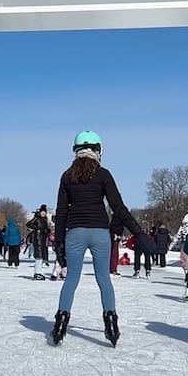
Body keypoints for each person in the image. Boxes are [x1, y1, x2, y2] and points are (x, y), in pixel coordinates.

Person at [51, 130, 146, 347]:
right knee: (104, 279)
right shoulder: (104, 174)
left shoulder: (67, 176)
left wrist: (59, 244)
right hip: (100, 232)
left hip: (75, 232)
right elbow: (118, 207)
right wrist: (138, 232)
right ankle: (111, 323)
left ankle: (60, 324)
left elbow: (61, 211)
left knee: (71, 280)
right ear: (98, 150)